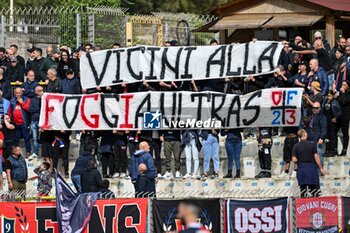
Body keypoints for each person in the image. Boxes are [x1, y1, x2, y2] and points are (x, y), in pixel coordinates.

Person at [292, 129, 326, 197]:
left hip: (302, 169)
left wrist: (296, 168)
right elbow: (316, 158)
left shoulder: (296, 146)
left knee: (303, 191)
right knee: (315, 192)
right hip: (312, 169)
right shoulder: (312, 145)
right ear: (305, 135)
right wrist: (321, 168)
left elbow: (294, 159)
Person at [8, 87, 32, 157]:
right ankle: (16, 153)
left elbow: (29, 109)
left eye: (19, 93)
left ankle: (28, 152)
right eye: (16, 93)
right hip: (15, 123)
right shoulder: (12, 100)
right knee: (16, 139)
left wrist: (22, 103)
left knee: (26, 138)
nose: (17, 95)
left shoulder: (27, 99)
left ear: (22, 93)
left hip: (24, 123)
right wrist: (9, 117)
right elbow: (10, 111)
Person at [323, 90, 342, 156]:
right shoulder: (325, 101)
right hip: (326, 121)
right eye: (328, 96)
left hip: (332, 122)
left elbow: (339, 112)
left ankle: (332, 150)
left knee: (333, 136)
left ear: (333, 96)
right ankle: (327, 150)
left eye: (330, 96)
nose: (329, 97)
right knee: (327, 136)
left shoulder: (335, 102)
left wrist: (335, 118)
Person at [310, 102, 327, 166]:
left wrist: (322, 138)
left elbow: (324, 128)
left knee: (319, 154)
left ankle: (320, 171)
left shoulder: (322, 116)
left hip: (318, 138)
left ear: (319, 108)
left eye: (316, 108)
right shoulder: (312, 115)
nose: (314, 109)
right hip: (312, 137)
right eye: (313, 108)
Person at [336, 80, 350, 156]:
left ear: (348, 86)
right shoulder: (340, 93)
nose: (342, 86)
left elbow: (344, 102)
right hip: (339, 114)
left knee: (345, 133)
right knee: (334, 131)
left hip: (346, 115)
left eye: (344, 85)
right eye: (342, 84)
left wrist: (343, 93)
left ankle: (344, 150)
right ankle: (334, 149)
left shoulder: (348, 93)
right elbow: (337, 100)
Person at [29, 85, 44, 158]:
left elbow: (44, 109)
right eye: (40, 90)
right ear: (36, 92)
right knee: (35, 138)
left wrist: (37, 109)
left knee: (43, 138)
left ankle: (44, 154)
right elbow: (30, 109)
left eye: (42, 90)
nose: (41, 92)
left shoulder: (44, 99)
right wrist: (38, 109)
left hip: (42, 120)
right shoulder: (32, 100)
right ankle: (35, 152)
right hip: (34, 120)